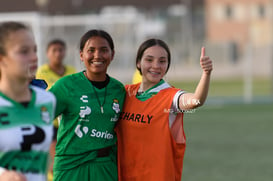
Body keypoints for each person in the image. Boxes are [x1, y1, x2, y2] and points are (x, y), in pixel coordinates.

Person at [116, 39, 213, 181]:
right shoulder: (125, 93)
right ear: (138, 63)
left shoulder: (171, 97)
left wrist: (206, 74)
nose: (155, 66)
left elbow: (196, 101)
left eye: (162, 61)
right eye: (149, 60)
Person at [49, 29, 125, 181]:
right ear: (81, 55)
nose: (97, 55)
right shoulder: (66, 85)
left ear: (112, 54)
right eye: (91, 50)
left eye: (104, 50)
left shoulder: (119, 90)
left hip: (105, 167)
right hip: (71, 167)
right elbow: (38, 115)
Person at [0, 21, 56, 181]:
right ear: (2, 58)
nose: (33, 57)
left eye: (35, 50)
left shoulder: (47, 100)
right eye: (24, 51)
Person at [36, 39, 76, 181]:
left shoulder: (71, 72)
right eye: (54, 50)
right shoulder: (42, 72)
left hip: (68, 124)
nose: (58, 53)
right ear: (48, 53)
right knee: (55, 164)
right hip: (52, 124)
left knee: (69, 162)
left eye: (61, 50)